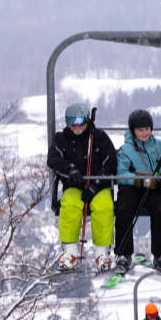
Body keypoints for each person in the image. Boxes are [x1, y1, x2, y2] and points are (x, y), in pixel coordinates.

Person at [46, 102, 117, 272]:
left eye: (80, 121)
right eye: (72, 122)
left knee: (104, 206)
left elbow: (111, 162)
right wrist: (69, 170)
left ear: (87, 120)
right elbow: (53, 159)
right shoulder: (61, 139)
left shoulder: (99, 137)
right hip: (74, 186)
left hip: (98, 186)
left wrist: (96, 184)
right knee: (69, 205)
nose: (77, 126)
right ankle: (70, 251)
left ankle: (102, 252)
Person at [115, 108, 161, 273]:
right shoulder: (126, 150)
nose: (144, 133)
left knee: (160, 208)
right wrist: (141, 180)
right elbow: (121, 174)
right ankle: (123, 254)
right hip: (133, 187)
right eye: (140, 130)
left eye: (147, 129)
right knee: (124, 208)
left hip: (154, 188)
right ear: (133, 130)